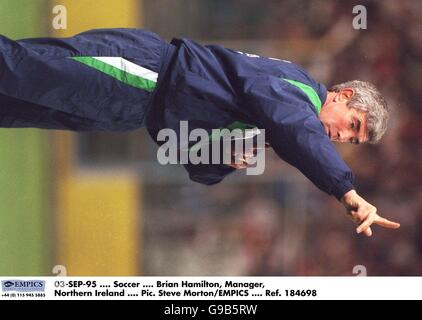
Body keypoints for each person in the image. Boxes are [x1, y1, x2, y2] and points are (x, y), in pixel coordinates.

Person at [0, 28, 400, 236]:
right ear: (343, 96)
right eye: (352, 125)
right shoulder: (298, 93)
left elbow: (191, 161)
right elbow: (295, 129)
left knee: (14, 106)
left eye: (353, 140)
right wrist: (345, 189)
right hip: (141, 74)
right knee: (18, 70)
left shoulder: (279, 122)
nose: (344, 138)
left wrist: (223, 161)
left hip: (130, 111)